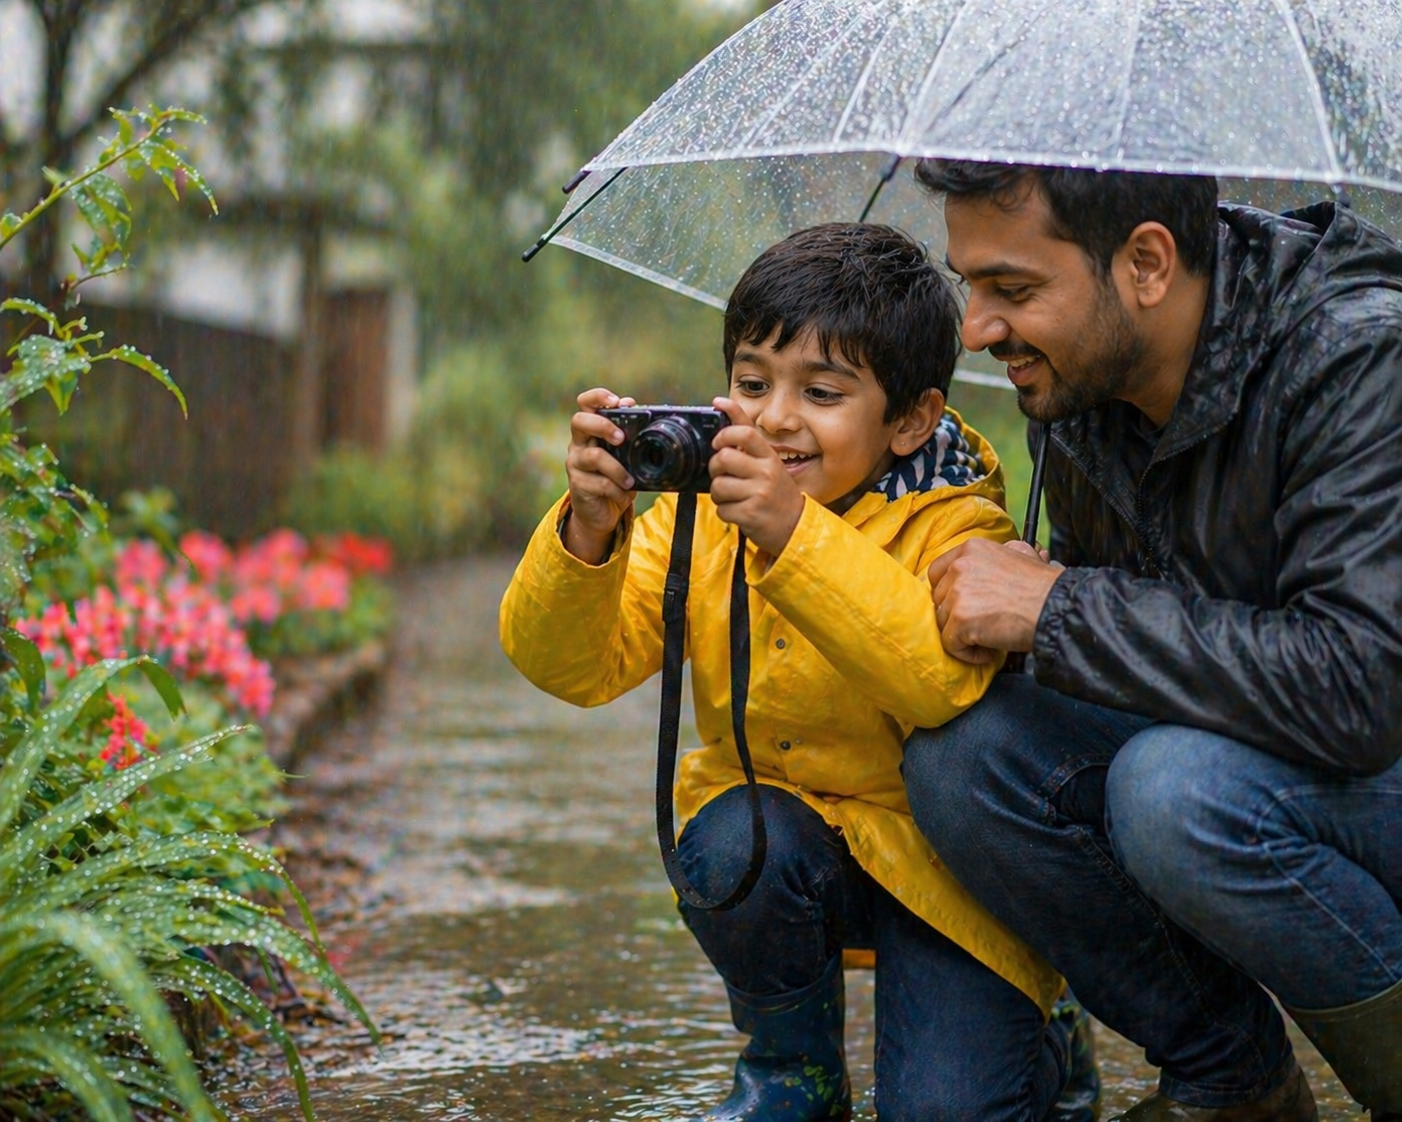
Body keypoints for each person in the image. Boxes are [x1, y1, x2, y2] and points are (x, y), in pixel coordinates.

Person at [499, 223, 1099, 1121]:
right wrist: (589, 528)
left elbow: (938, 678)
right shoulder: (704, 514)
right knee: (731, 835)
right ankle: (792, 1065)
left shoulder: (955, 524)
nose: (775, 417)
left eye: (821, 392)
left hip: (951, 873)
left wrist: (792, 533)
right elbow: (569, 668)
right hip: (786, 852)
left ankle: (1046, 1030)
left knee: (946, 1111)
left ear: (911, 419)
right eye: (750, 383)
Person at [902, 159, 1402, 1121]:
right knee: (969, 756)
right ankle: (1236, 1084)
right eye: (970, 285)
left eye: (1012, 288)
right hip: (1265, 754)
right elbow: (1113, 654)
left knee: (1173, 794)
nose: (976, 329)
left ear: (1145, 263)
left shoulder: (1359, 354)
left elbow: (1361, 689)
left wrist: (1059, 610)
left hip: (1369, 747)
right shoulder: (1081, 386)